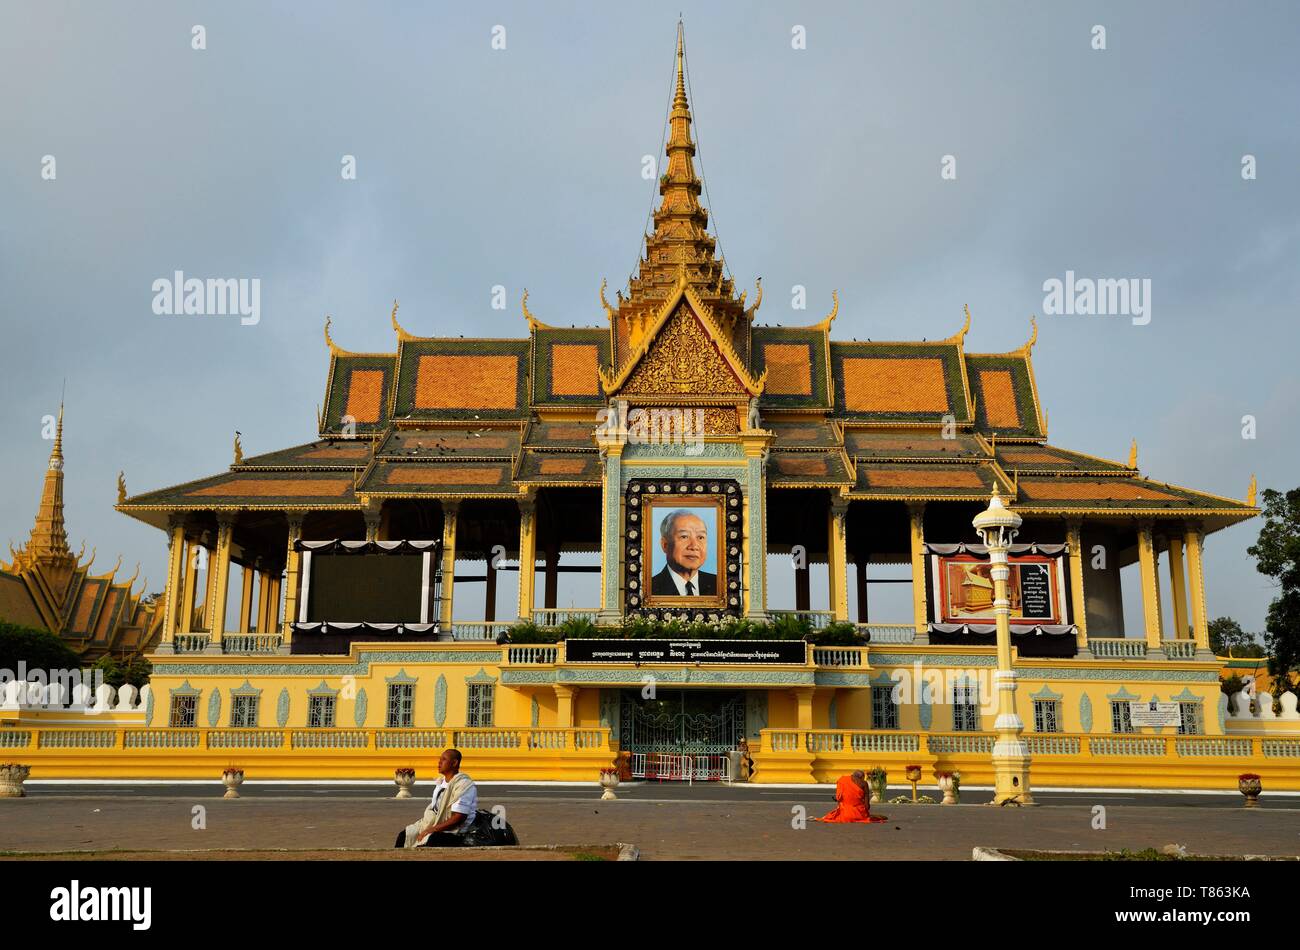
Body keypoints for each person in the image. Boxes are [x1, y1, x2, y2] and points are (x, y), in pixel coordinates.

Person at [394, 748, 478, 848]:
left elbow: (459, 818)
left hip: (456, 831)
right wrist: (428, 827)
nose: (439, 762)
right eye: (439, 760)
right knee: (404, 836)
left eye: (444, 759)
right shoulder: (441, 783)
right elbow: (435, 809)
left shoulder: (463, 785)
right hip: (433, 823)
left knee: (430, 841)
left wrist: (431, 830)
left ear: (454, 763)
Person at [650, 510, 717, 596]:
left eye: (700, 537)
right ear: (665, 545)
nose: (694, 546)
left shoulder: (720, 585)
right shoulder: (649, 589)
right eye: (684, 536)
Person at [817, 770, 886, 823]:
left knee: (831, 815)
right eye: (863, 778)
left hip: (844, 814)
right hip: (859, 813)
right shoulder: (863, 783)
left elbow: (839, 798)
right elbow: (867, 805)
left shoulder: (843, 780)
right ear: (861, 777)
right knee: (873, 817)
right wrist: (866, 811)